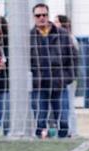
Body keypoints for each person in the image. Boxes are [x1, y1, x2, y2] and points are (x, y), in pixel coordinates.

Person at [30, 3, 76, 139]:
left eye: (44, 15)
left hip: (59, 83)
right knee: (40, 120)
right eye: (38, 15)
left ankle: (63, 143)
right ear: (34, 17)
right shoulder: (29, 37)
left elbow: (73, 57)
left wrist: (67, 77)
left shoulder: (62, 34)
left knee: (63, 120)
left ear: (48, 15)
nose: (41, 18)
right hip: (39, 85)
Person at [54, 14, 79, 137]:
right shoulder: (57, 38)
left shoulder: (70, 38)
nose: (54, 24)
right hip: (59, 78)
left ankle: (73, 131)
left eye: (56, 21)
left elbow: (73, 60)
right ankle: (63, 129)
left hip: (68, 78)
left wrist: (69, 76)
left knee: (69, 104)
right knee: (61, 104)